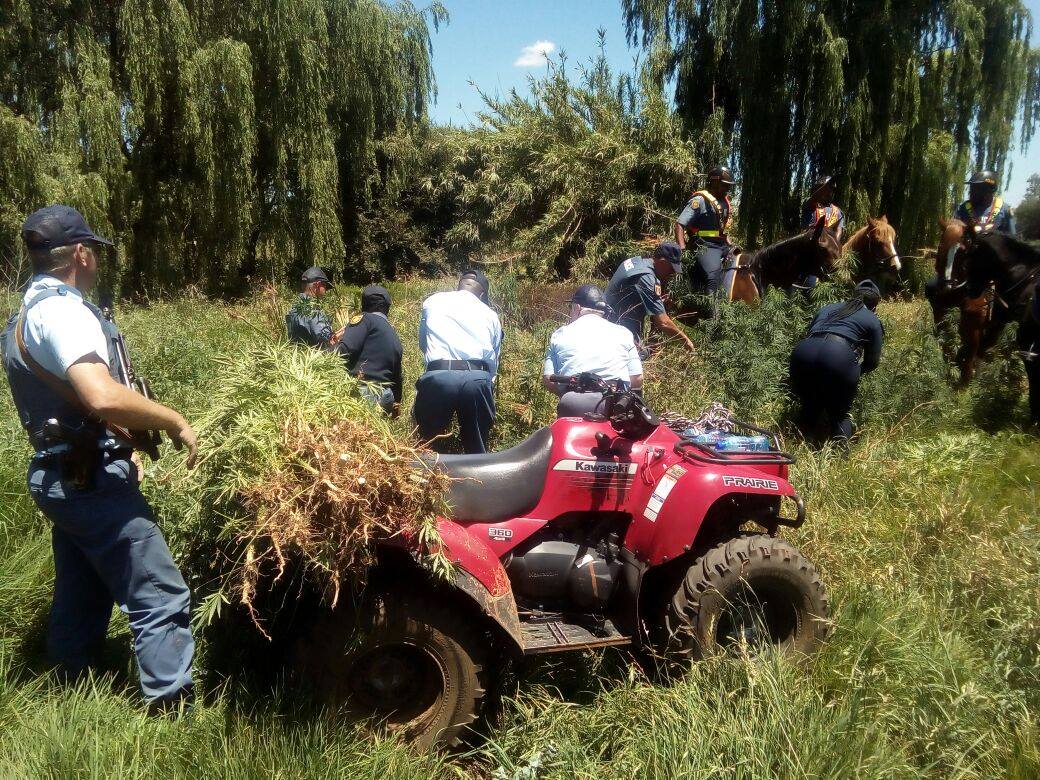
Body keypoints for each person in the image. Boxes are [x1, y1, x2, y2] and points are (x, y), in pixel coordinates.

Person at [1, 205, 198, 713]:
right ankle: (171, 705)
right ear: (82, 255)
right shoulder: (64, 312)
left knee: (82, 585)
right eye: (97, 255)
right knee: (157, 590)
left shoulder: (24, 313)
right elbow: (100, 397)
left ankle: (70, 685)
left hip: (59, 473)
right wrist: (173, 418)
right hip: (89, 479)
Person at [414, 269, 502, 454]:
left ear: (459, 285)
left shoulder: (433, 301)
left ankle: (424, 479)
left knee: (427, 444)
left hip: (439, 376)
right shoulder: (491, 314)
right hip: (477, 378)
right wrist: (487, 383)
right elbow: (493, 359)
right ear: (483, 294)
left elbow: (423, 342)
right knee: (477, 448)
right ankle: (479, 479)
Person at [789, 279, 884, 445]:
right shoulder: (872, 318)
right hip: (838, 355)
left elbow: (810, 332)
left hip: (803, 352)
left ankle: (796, 446)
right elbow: (872, 362)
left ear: (853, 296)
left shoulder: (828, 307)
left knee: (809, 405)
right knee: (839, 413)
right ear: (875, 305)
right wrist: (850, 373)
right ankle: (841, 460)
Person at [542, 284, 643, 417]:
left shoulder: (559, 334)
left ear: (577, 308)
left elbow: (548, 379)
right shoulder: (624, 333)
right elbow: (637, 378)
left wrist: (566, 392)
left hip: (572, 405)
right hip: (614, 407)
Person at [925, 170, 1017, 305]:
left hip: (993, 265)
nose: (971, 191)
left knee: (1009, 296)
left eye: (975, 188)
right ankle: (938, 319)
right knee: (931, 286)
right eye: (972, 187)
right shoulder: (963, 208)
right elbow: (952, 232)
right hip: (965, 261)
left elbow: (1012, 240)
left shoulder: (1004, 209)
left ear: (989, 189)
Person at [605, 241, 695, 353]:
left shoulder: (636, 261)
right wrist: (685, 340)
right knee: (644, 354)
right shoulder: (647, 277)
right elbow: (662, 322)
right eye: (671, 269)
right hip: (617, 328)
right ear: (662, 262)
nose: (672, 274)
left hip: (608, 318)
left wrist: (657, 302)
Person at [336, 284, 402, 415]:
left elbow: (346, 348)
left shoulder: (365, 319)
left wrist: (322, 353)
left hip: (364, 392)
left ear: (364, 305)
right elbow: (398, 376)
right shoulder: (393, 334)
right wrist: (396, 405)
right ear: (387, 307)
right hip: (386, 395)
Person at [674, 166, 736, 294]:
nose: (727, 189)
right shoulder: (699, 200)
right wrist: (682, 249)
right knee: (712, 277)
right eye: (724, 185)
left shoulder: (724, 202)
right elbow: (679, 225)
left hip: (721, 244)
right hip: (704, 245)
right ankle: (712, 312)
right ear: (714, 182)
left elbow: (721, 230)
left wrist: (731, 244)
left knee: (744, 265)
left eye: (729, 186)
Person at [285, 266, 339, 349]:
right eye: (324, 286)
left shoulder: (295, 306)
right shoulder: (312, 310)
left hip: (299, 357)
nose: (325, 290)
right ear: (317, 285)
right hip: (316, 359)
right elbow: (327, 342)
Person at [801, 175, 845, 239]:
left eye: (830, 190)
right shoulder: (811, 203)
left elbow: (839, 231)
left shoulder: (838, 212)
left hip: (827, 245)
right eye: (825, 190)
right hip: (807, 243)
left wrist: (834, 244)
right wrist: (827, 185)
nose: (828, 193)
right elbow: (814, 197)